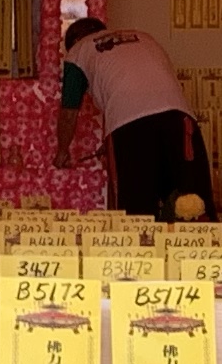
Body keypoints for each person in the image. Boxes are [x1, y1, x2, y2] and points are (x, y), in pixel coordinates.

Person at [57, 14, 211, 219]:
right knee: (190, 202)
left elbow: (68, 113)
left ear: (74, 41)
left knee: (138, 209)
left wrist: (62, 151)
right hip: (180, 120)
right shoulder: (144, 37)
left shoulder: (78, 51)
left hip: (130, 130)